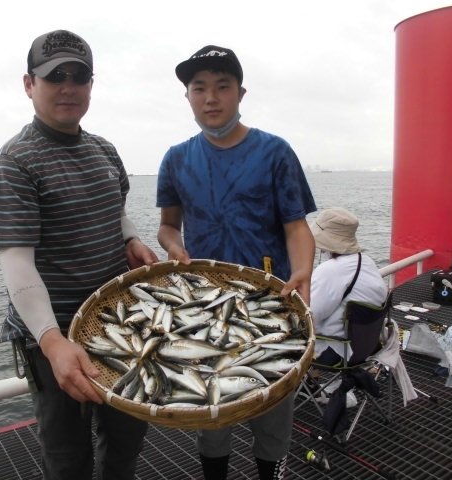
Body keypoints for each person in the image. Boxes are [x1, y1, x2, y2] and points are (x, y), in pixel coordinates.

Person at [0, 29, 159, 480]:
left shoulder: (104, 150)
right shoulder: (13, 164)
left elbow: (116, 211)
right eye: (54, 75)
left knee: (126, 440)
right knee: (67, 457)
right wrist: (52, 340)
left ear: (91, 85)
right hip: (53, 336)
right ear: (29, 84)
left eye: (79, 76)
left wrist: (131, 241)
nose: (68, 86)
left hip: (119, 324)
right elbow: (17, 265)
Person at [156, 45, 317, 480]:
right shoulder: (175, 158)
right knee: (212, 416)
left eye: (222, 87)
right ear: (187, 97)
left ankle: (272, 471)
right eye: (199, 88)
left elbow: (296, 227)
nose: (211, 97)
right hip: (203, 306)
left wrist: (304, 269)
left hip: (271, 302)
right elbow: (168, 227)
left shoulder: (275, 152)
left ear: (240, 93)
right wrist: (173, 247)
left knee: (273, 413)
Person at [309, 207, 389, 365]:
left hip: (336, 352)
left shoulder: (330, 270)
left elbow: (311, 317)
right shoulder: (366, 261)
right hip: (367, 346)